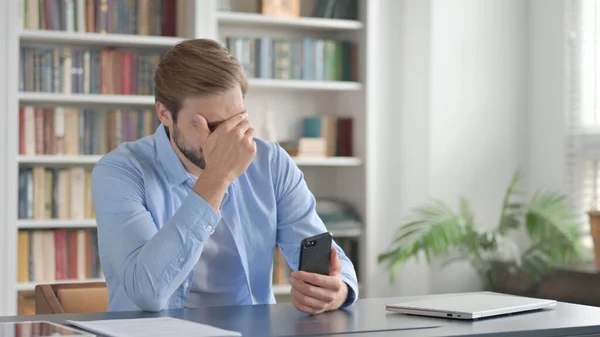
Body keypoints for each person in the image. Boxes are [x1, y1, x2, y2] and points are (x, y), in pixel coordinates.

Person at [91, 38, 359, 314]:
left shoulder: (271, 163)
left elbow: (332, 262)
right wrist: (217, 177)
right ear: (165, 114)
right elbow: (148, 293)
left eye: (238, 120)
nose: (229, 138)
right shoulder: (119, 172)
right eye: (213, 126)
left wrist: (336, 291)